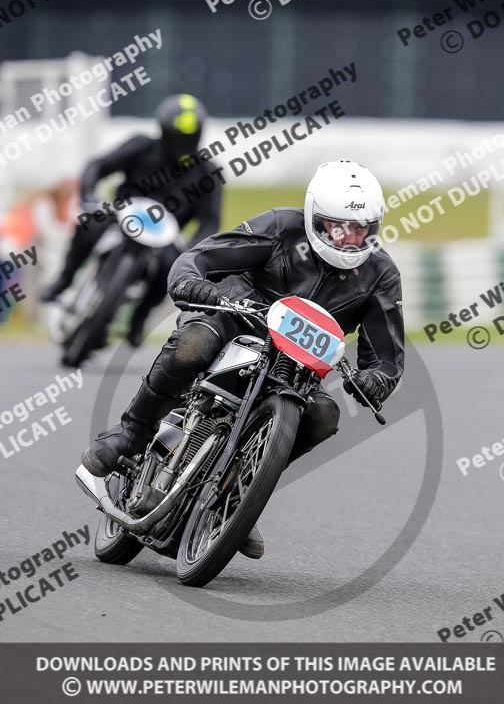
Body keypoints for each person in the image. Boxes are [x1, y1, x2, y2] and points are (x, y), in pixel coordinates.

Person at [81, 159, 405, 558]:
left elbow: (386, 358)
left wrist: (375, 380)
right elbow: (200, 257)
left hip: (298, 368)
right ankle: (131, 433)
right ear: (315, 220)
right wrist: (194, 283)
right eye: (339, 228)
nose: (350, 240)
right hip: (236, 319)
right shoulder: (280, 228)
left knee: (324, 415)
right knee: (194, 344)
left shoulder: (381, 274)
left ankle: (239, 495)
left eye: (362, 230)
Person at [41, 94, 222, 347]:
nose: (182, 143)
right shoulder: (141, 146)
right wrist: (88, 198)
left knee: (173, 269)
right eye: (177, 136)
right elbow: (97, 166)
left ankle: (139, 318)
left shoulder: (209, 173)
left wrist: (192, 248)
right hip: (121, 216)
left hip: (165, 238)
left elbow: (210, 220)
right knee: (89, 226)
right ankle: (65, 279)